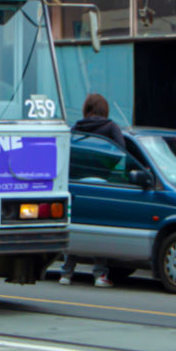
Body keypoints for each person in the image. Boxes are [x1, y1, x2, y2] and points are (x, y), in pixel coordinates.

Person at [61, 93, 125, 288]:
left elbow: (66, 152)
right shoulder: (111, 127)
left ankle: (66, 273)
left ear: (87, 109)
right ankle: (99, 274)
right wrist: (106, 168)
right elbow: (121, 151)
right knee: (99, 228)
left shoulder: (77, 129)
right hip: (101, 184)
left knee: (77, 227)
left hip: (78, 185)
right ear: (105, 110)